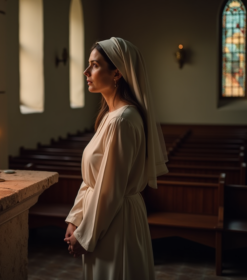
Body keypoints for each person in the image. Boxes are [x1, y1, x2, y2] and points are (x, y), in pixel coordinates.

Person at [63, 37, 168, 280]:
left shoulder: (123, 120)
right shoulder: (110, 117)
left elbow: (110, 191)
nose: (86, 71)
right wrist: (76, 219)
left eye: (95, 65)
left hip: (115, 223)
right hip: (100, 221)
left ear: (117, 73)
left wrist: (86, 234)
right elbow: (92, 181)